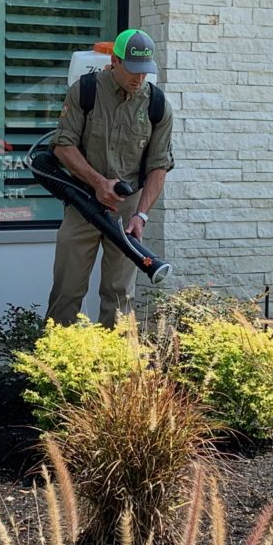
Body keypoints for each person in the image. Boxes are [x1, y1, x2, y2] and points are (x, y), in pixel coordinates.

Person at [45, 29, 174, 328]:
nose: (139, 78)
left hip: (127, 213)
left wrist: (141, 215)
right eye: (132, 69)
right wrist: (99, 183)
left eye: (144, 71)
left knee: (119, 296)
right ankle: (58, 354)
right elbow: (63, 145)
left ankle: (116, 357)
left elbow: (159, 166)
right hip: (83, 202)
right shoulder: (85, 90)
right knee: (67, 292)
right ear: (115, 61)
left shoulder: (157, 105)